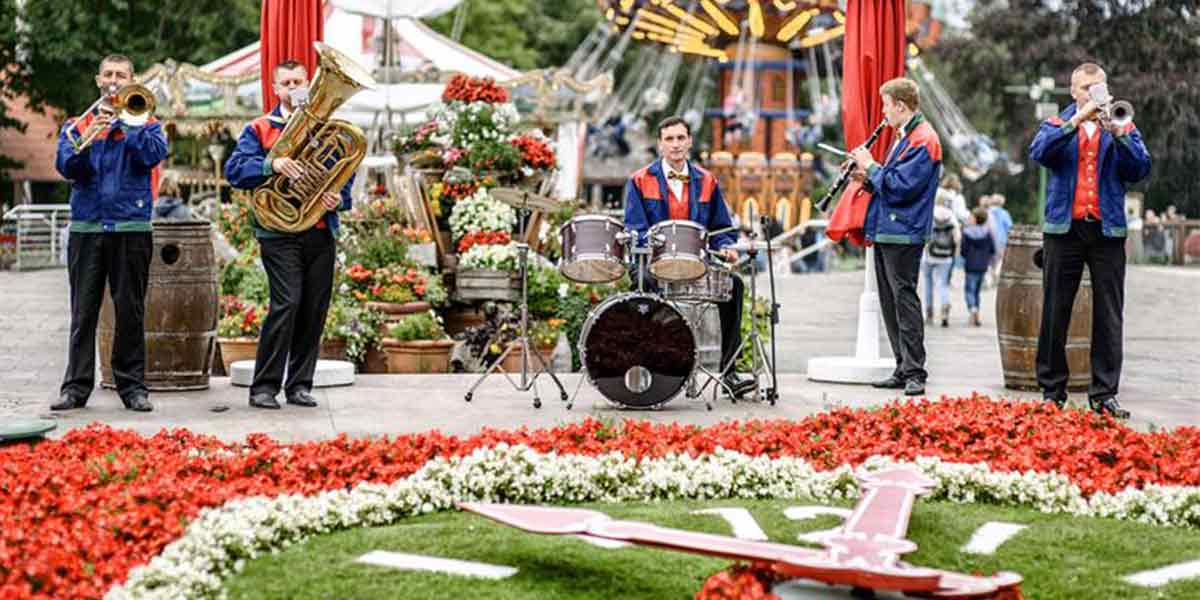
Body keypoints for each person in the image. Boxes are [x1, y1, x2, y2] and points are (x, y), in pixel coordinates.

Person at [225, 59, 353, 410]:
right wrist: (272, 164)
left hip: (319, 230)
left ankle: (299, 385)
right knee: (287, 303)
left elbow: (346, 174)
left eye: (300, 81)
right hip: (277, 231)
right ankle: (264, 387)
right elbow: (234, 170)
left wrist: (337, 198)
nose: (294, 87)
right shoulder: (260, 129)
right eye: (287, 83)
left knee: (314, 309)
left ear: (309, 86)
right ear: (276, 88)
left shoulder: (327, 129)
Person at [1029, 62, 1151, 418]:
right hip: (1064, 230)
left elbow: (1140, 169)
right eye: (1086, 89)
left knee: (1109, 314)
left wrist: (1119, 133)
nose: (1093, 94)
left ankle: (1104, 393)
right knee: (1055, 311)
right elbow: (1039, 153)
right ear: (1073, 91)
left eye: (1099, 88)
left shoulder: (1121, 122)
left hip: (1106, 230)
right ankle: (1052, 391)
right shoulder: (1057, 123)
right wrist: (1077, 120)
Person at [52, 54, 169, 413]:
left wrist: (129, 123)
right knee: (82, 312)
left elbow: (152, 155)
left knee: (130, 311)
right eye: (108, 74)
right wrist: (89, 136)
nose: (114, 80)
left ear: (133, 81)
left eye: (121, 75)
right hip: (87, 225)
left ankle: (132, 387)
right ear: (98, 80)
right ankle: (75, 388)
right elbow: (66, 167)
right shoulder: (78, 123)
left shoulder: (147, 122)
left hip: (130, 226)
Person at [624, 115, 753, 397]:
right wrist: (660, 246)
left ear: (690, 141)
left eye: (681, 138)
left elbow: (721, 227)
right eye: (669, 139)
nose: (676, 145)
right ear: (659, 145)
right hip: (653, 263)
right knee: (642, 282)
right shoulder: (639, 180)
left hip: (697, 262)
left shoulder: (707, 181)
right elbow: (634, 231)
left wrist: (728, 245)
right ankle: (648, 367)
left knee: (735, 286)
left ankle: (730, 372)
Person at [848, 77, 942, 396]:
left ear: (901, 106)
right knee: (891, 301)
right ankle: (903, 366)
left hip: (905, 231)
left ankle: (915, 370)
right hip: (889, 230)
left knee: (904, 299)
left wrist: (871, 165)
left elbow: (902, 188)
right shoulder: (906, 136)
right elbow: (890, 182)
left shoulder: (923, 139)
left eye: (886, 105)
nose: (884, 113)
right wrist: (865, 175)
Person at [922, 201, 959, 327]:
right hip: (946, 256)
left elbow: (923, 232)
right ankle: (944, 308)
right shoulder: (951, 215)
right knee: (943, 284)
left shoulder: (929, 212)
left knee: (928, 283)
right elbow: (957, 237)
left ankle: (929, 312)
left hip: (929, 255)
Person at [960, 207, 995, 326]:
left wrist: (965, 256)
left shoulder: (967, 232)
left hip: (970, 265)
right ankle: (977, 313)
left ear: (975, 219)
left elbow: (963, 250)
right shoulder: (988, 233)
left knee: (969, 290)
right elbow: (992, 249)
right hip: (983, 266)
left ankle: (972, 309)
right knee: (977, 291)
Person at [986, 193, 1013, 284]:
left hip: (988, 238)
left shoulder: (986, 212)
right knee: (1000, 258)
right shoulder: (1004, 213)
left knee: (989, 259)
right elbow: (1010, 226)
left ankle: (988, 279)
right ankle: (997, 273)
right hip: (1001, 239)